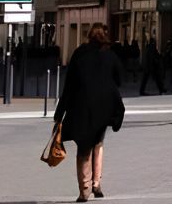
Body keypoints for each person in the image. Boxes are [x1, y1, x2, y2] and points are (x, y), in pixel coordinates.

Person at [54, 22, 126, 202]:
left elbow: (69, 86)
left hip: (81, 107)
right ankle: (96, 184)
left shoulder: (79, 54)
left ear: (89, 36)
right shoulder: (109, 55)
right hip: (104, 107)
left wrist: (59, 113)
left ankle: (84, 190)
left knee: (83, 148)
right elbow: (120, 78)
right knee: (98, 143)